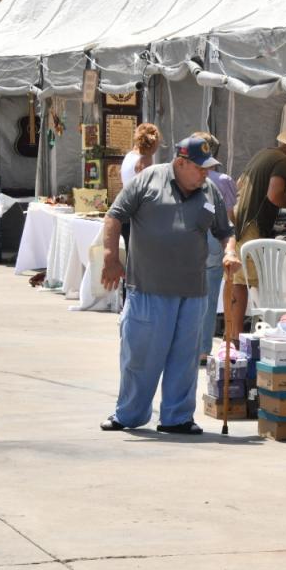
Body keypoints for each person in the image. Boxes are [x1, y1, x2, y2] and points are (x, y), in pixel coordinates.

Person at [99, 136, 240, 435]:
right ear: (180, 163)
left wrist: (230, 250)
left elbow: (226, 230)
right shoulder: (149, 179)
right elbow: (114, 215)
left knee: (186, 359)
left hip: (193, 292)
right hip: (149, 288)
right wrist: (111, 257)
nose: (205, 174)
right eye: (200, 169)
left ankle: (177, 418)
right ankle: (128, 415)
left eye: (208, 169)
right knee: (140, 356)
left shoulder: (209, 190)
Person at [227, 122, 286, 319]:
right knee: (243, 284)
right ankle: (235, 340)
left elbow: (238, 185)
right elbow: (274, 196)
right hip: (253, 227)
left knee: (239, 282)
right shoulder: (283, 160)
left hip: (241, 221)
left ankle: (233, 335)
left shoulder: (264, 154)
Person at [191, 132, 237, 365]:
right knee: (208, 298)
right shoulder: (224, 180)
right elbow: (228, 218)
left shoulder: (182, 177)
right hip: (213, 239)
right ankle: (201, 349)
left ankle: (185, 346)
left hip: (189, 238)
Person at [120, 122, 160, 188]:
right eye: (158, 142)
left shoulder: (130, 155)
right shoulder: (145, 159)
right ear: (154, 143)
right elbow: (149, 188)